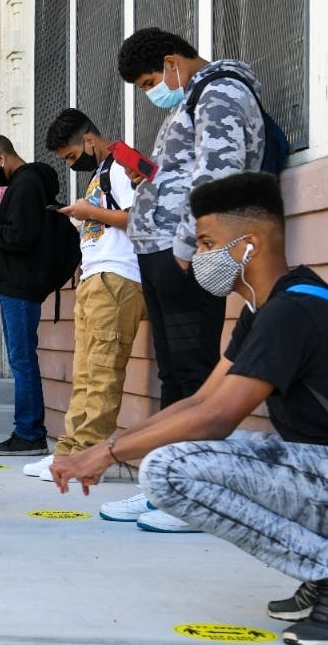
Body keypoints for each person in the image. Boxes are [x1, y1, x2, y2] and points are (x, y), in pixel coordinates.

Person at [50, 172, 328, 645]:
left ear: (249, 245)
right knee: (178, 455)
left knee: (169, 470)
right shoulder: (271, 305)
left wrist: (107, 454)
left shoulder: (292, 311)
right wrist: (108, 444)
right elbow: (202, 399)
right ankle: (320, 574)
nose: (197, 257)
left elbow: (217, 420)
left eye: (206, 243)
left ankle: (325, 571)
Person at [110, 27, 266, 530]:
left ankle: (192, 493)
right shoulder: (196, 97)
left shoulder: (220, 91)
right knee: (174, 373)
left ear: (174, 61)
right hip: (160, 249)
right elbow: (187, 170)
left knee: (193, 371)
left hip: (181, 255)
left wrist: (187, 246)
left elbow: (217, 175)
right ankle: (167, 485)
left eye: (152, 79)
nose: (153, 90)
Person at [21, 109, 146, 481]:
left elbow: (139, 217)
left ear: (89, 139)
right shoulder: (102, 172)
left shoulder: (122, 165)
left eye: (73, 156)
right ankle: (68, 451)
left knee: (103, 371)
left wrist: (88, 211)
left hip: (118, 276)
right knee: (86, 373)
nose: (72, 164)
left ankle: (86, 457)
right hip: (96, 277)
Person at [0, 135, 61, 457]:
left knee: (21, 360)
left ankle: (29, 432)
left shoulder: (26, 184)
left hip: (19, 284)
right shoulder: (25, 183)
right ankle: (28, 430)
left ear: (0, 157)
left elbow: (19, 236)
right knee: (22, 358)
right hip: (14, 283)